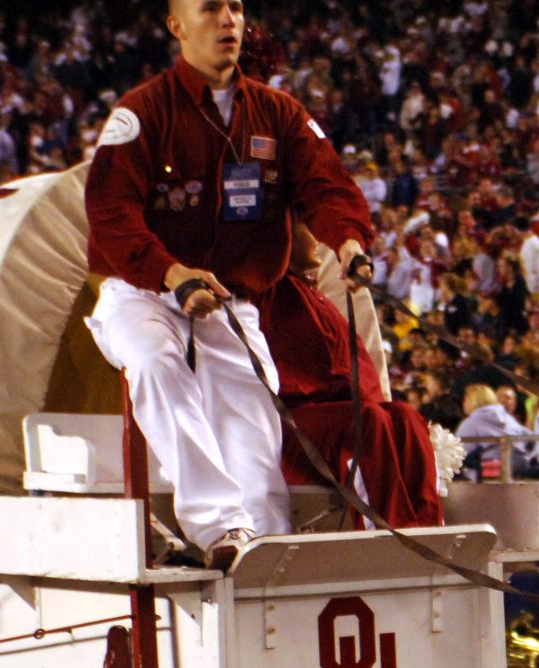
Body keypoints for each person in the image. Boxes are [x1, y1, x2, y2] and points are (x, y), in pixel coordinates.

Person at [83, 0, 375, 568]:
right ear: (177, 26)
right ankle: (219, 529)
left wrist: (348, 241)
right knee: (154, 360)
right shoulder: (141, 113)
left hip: (230, 304)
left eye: (237, 8)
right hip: (145, 294)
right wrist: (172, 273)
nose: (229, 20)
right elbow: (112, 214)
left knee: (252, 416)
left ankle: (266, 544)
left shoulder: (279, 114)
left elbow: (326, 186)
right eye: (211, 8)